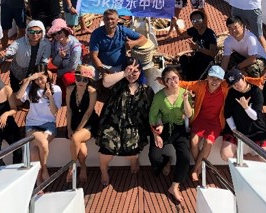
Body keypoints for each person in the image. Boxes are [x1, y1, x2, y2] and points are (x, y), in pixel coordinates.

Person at [96, 57, 154, 186]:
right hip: (112, 124)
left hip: (133, 126)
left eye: (135, 72)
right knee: (106, 149)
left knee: (132, 151)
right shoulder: (117, 84)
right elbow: (105, 82)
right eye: (129, 71)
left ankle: (134, 161)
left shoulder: (146, 90)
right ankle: (104, 171)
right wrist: (124, 73)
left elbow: (151, 111)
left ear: (140, 72)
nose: (132, 75)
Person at [149, 66, 193, 204]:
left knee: (185, 157)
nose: (172, 81)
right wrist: (155, 135)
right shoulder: (159, 96)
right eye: (168, 79)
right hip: (163, 128)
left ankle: (174, 186)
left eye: (174, 78)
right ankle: (166, 161)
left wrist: (186, 100)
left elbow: (189, 114)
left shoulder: (185, 93)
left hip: (179, 129)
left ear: (179, 78)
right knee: (154, 157)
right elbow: (152, 116)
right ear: (165, 82)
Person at [178, 65, 227, 182]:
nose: (215, 81)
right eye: (212, 78)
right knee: (194, 141)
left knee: (208, 143)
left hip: (216, 121)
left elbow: (242, 80)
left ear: (222, 80)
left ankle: (195, 169)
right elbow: (186, 84)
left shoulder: (225, 87)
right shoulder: (200, 85)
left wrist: (259, 80)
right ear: (207, 77)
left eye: (218, 79)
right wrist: (167, 81)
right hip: (200, 118)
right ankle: (199, 167)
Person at [15, 68, 62, 183]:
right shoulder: (31, 89)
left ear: (47, 76)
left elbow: (54, 112)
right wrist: (29, 79)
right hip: (32, 124)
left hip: (49, 124)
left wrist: (50, 96)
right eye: (37, 79)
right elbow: (18, 97)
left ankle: (40, 177)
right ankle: (42, 174)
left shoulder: (56, 89)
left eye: (42, 78)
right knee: (42, 144)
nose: (39, 82)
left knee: (34, 151)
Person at [220, 68, 266, 162]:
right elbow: (227, 114)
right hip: (236, 127)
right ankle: (244, 159)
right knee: (225, 155)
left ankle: (248, 159)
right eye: (233, 85)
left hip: (255, 129)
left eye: (237, 82)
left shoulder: (256, 92)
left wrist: (246, 107)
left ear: (243, 78)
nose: (236, 86)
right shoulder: (231, 93)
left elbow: (255, 117)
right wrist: (234, 129)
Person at [65, 64, 99, 183]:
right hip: (74, 121)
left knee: (75, 138)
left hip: (89, 122)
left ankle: (72, 166)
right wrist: (69, 128)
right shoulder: (70, 90)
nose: (81, 82)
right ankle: (83, 166)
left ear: (88, 81)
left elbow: (88, 113)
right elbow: (69, 110)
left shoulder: (92, 92)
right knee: (82, 152)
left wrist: (77, 130)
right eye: (78, 78)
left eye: (85, 79)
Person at [89, 9, 147, 75]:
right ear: (103, 20)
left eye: (112, 19)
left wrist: (134, 43)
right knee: (90, 73)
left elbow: (144, 39)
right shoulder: (96, 34)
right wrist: (102, 71)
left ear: (117, 20)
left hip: (119, 66)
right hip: (101, 65)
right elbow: (94, 56)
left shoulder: (123, 30)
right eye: (107, 19)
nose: (109, 21)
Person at [2, 20, 51, 93]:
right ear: (27, 32)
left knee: (32, 93)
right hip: (17, 73)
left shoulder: (47, 43)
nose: (35, 34)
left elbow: (44, 61)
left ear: (42, 32)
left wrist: (31, 77)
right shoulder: (18, 42)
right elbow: (10, 51)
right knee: (16, 93)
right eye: (32, 32)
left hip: (35, 74)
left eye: (38, 32)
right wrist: (3, 55)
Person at [47, 18, 82, 101]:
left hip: (73, 71)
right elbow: (55, 63)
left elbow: (73, 67)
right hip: (62, 68)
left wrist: (60, 72)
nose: (57, 36)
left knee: (68, 83)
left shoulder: (76, 47)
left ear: (65, 31)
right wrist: (60, 57)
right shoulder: (55, 43)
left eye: (60, 32)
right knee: (59, 95)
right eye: (55, 34)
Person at [178, 10, 218, 80]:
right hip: (197, 57)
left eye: (199, 20)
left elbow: (213, 54)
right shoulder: (193, 30)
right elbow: (181, 35)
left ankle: (189, 78)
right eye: (193, 21)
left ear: (203, 20)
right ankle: (187, 76)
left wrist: (198, 48)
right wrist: (175, 25)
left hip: (207, 60)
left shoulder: (210, 34)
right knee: (183, 58)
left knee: (195, 78)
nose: (196, 23)